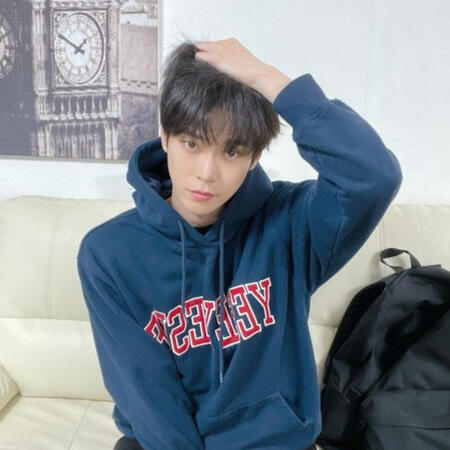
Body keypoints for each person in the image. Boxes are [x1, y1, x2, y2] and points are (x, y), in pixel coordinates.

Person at [76, 37, 402, 450]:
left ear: (254, 157)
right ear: (165, 136)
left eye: (231, 151)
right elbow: (150, 398)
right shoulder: (109, 254)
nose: (206, 173)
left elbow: (374, 176)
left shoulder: (290, 224)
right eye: (192, 143)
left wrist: (269, 80)